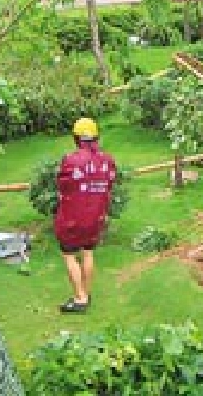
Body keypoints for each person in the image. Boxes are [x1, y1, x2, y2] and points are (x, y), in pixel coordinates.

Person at [53, 117, 117, 313]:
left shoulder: (71, 160)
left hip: (73, 218)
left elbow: (62, 185)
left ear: (76, 138)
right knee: (88, 251)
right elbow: (110, 184)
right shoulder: (108, 160)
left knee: (69, 255)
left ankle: (80, 297)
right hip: (96, 217)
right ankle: (86, 293)